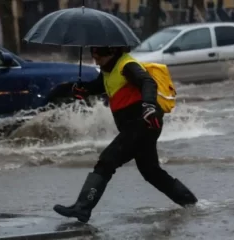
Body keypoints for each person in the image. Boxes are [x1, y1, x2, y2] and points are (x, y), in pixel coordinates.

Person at [53, 46, 198, 223]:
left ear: (111, 51)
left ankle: (82, 208)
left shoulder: (127, 65)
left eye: (98, 54)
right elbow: (101, 85)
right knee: (151, 172)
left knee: (107, 161)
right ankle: (190, 203)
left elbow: (148, 82)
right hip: (136, 126)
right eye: (92, 54)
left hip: (143, 122)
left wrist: (149, 106)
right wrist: (84, 89)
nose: (95, 58)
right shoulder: (108, 69)